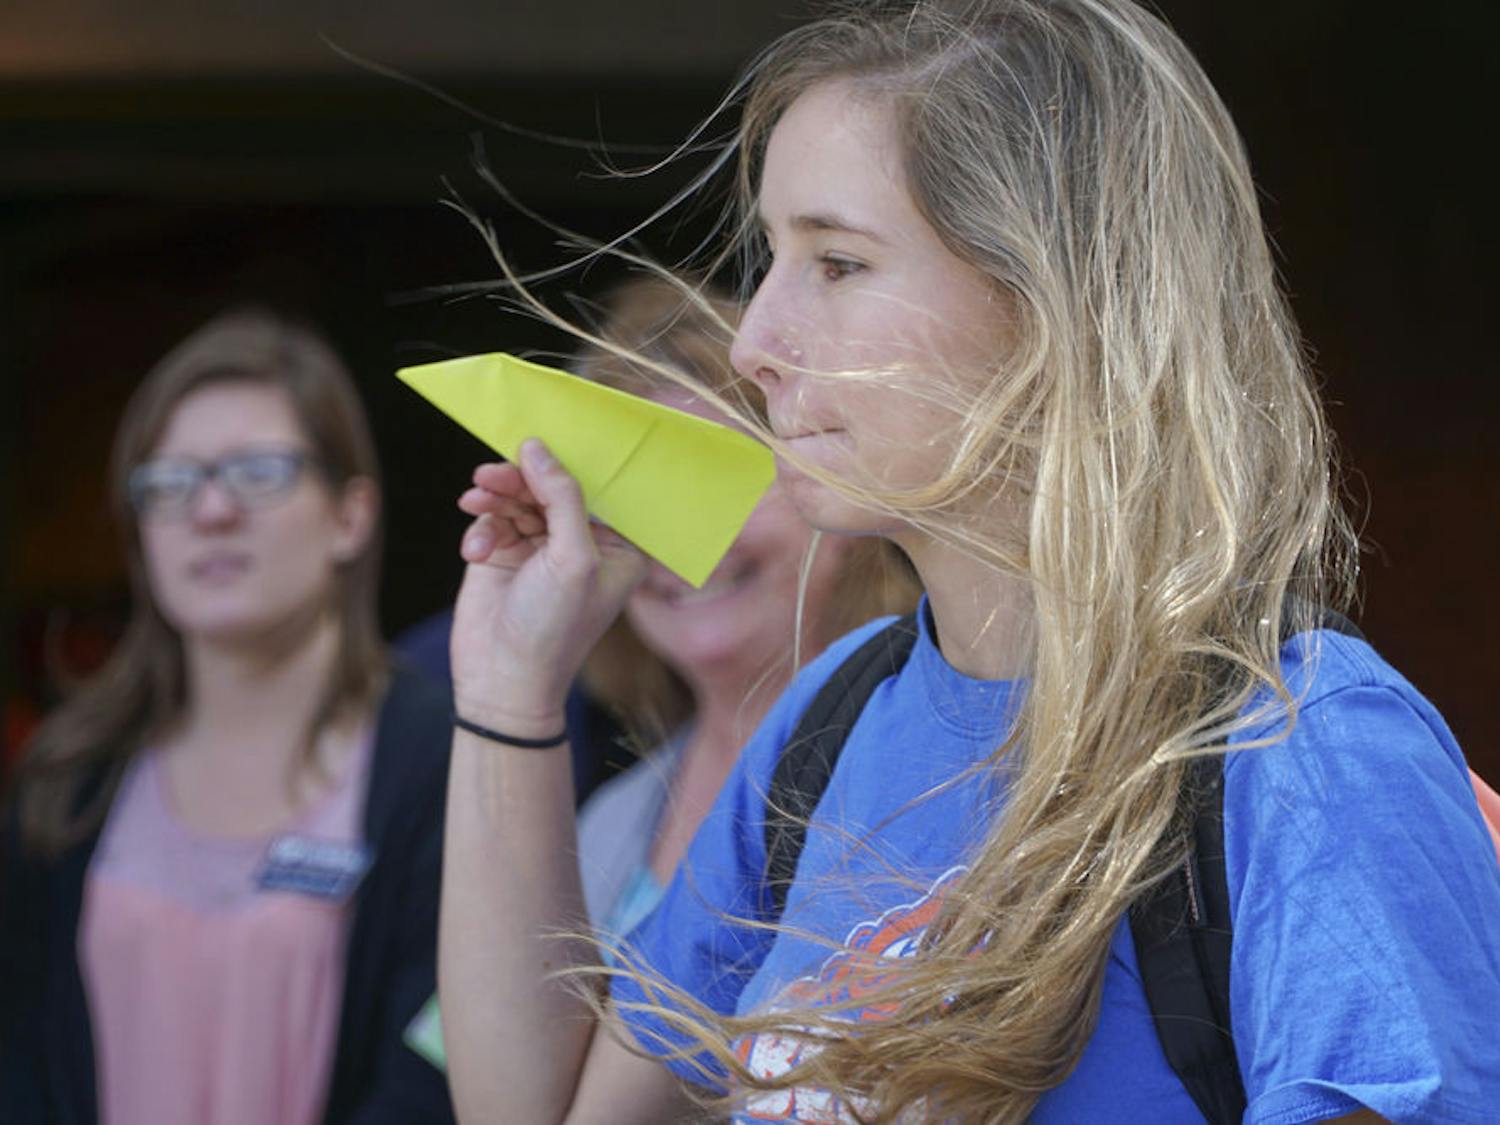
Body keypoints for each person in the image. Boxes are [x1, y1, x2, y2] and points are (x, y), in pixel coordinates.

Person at [437, 1, 1500, 1122]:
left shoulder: (1303, 741)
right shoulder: (826, 727)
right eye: (773, 258)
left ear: (1057, 299)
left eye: (838, 263)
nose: (754, 347)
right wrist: (510, 689)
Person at [0, 308, 456, 1125]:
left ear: (351, 515)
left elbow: (443, 1066)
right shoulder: (68, 779)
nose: (209, 511)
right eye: (169, 485)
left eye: (257, 473)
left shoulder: (440, 762)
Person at [564, 277, 920, 939]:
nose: (677, 541)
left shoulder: (926, 767)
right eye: (635, 498)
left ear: (831, 489)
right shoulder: (610, 815)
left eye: (715, 480)